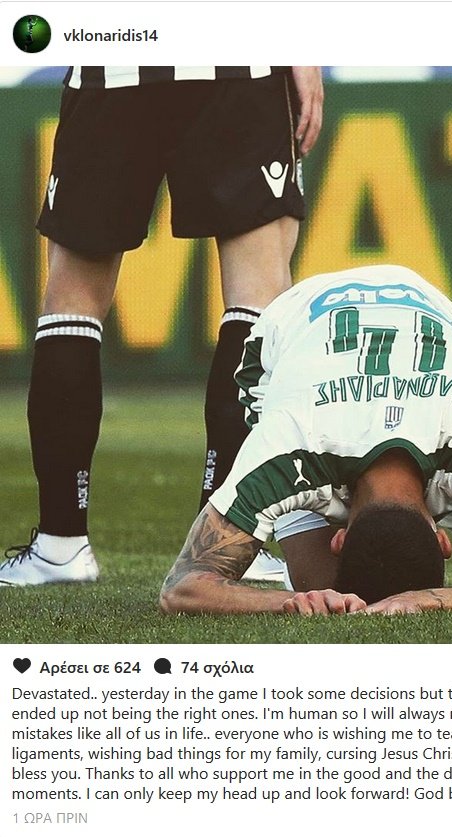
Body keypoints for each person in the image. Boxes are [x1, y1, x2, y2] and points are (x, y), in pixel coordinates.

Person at [0, 66, 323, 587]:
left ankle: (60, 546)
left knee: (73, 300)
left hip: (115, 58)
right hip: (236, 62)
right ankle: (225, 549)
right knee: (258, 294)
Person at [159, 264, 452, 616]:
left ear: (339, 539)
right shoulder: (288, 440)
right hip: (296, 323)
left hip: (425, 315)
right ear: (442, 540)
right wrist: (299, 600)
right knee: (320, 586)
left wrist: (427, 600)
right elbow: (181, 590)